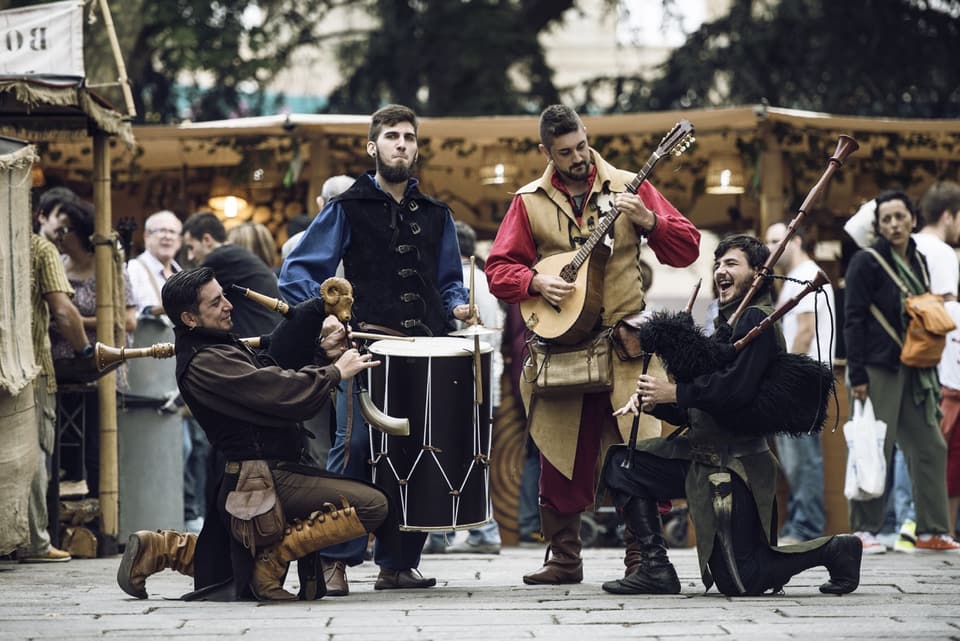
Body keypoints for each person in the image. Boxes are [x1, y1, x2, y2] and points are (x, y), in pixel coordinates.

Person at [484, 104, 699, 584]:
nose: (578, 157)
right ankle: (563, 558)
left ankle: (643, 557)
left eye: (581, 145)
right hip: (562, 350)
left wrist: (650, 221)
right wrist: (536, 284)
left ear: (587, 135)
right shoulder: (528, 200)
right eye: (565, 152)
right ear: (547, 152)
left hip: (628, 346)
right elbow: (498, 268)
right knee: (561, 450)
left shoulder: (630, 183)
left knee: (638, 444)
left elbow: (687, 247)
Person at [600, 234, 862, 597]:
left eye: (732, 263)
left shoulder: (759, 319)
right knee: (624, 464)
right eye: (718, 263)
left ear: (759, 273)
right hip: (700, 456)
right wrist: (656, 401)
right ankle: (654, 568)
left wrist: (674, 391)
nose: (720, 270)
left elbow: (735, 392)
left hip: (736, 466)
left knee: (743, 579)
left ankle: (834, 549)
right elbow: (698, 411)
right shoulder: (726, 324)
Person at [279, 104, 471, 594]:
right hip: (366, 350)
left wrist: (460, 306)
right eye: (391, 136)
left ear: (416, 146)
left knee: (417, 451)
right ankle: (333, 560)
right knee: (357, 449)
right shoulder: (347, 207)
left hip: (426, 351)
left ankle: (398, 563)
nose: (401, 144)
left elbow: (449, 281)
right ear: (373, 146)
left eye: (408, 136)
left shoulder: (437, 214)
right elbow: (299, 272)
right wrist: (326, 317)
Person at [116, 266, 394, 601]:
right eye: (215, 302)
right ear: (190, 318)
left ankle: (162, 548)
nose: (228, 306)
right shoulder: (206, 360)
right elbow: (275, 390)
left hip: (268, 472)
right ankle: (270, 560)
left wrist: (323, 353)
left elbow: (272, 365)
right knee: (374, 506)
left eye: (223, 297)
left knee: (229, 559)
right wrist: (335, 372)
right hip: (260, 476)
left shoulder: (216, 346)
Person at [844, 190, 960, 553]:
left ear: (912, 217)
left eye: (900, 217)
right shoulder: (867, 262)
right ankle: (864, 529)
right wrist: (858, 375)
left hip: (916, 366)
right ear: (878, 226)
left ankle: (932, 530)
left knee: (931, 444)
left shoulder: (921, 259)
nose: (894, 224)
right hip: (878, 367)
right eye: (886, 219)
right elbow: (854, 320)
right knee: (874, 443)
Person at [49, 196, 137, 497]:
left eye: (65, 231)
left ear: (83, 232)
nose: (59, 237)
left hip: (99, 368)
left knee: (96, 451)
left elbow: (127, 321)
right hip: (58, 371)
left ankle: (101, 522)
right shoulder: (57, 265)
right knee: (60, 451)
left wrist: (74, 322)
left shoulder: (109, 268)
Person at [426, 220, 505, 555]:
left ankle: (460, 531)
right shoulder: (487, 282)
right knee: (475, 455)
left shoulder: (457, 284)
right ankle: (477, 530)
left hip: (459, 380)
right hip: (489, 379)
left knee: (450, 455)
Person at [18, 209, 92, 563]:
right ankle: (33, 541)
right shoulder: (39, 249)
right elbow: (63, 311)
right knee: (33, 455)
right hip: (32, 368)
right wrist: (86, 352)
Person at [763, 222, 834, 545]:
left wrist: (785, 378)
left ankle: (806, 526)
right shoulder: (794, 279)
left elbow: (805, 332)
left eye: (779, 240)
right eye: (768, 241)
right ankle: (801, 522)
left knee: (803, 457)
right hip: (799, 379)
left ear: (799, 241)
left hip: (802, 380)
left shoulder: (807, 274)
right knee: (794, 457)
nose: (772, 247)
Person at [180, 211, 283, 340]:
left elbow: (179, 296)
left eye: (191, 247)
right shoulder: (235, 254)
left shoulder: (220, 258)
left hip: (259, 347)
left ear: (207, 240)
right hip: (268, 339)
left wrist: (150, 310)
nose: (191, 256)